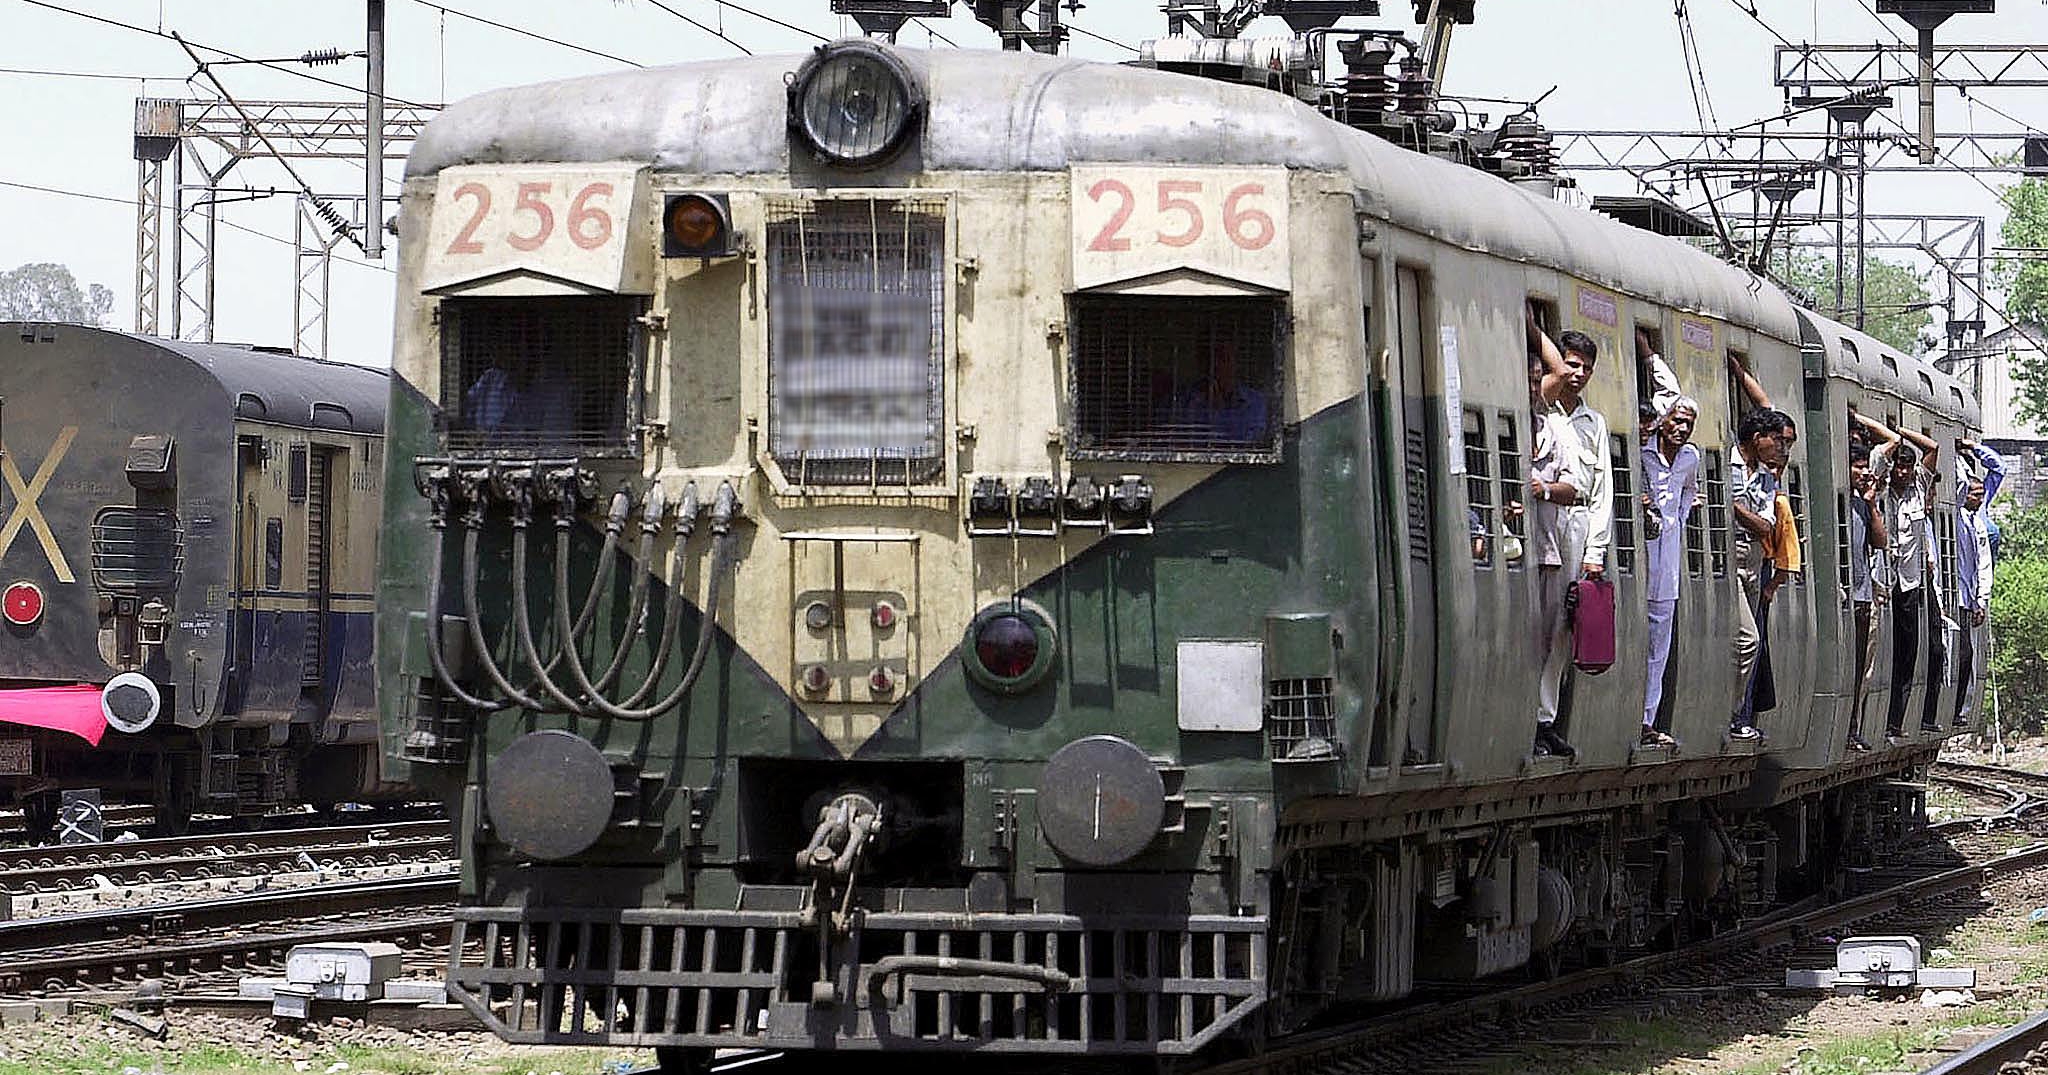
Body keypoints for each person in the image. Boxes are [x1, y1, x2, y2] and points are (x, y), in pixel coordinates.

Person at [1526, 304, 1613, 759]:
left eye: (1586, 369)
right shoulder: (1542, 410)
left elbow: (1602, 492)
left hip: (1576, 525)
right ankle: (1533, 718)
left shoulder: (1593, 423)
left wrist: (1596, 549)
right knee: (1538, 624)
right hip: (1543, 521)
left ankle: (1546, 719)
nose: (1577, 374)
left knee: (1563, 625)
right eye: (1572, 365)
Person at [1860, 413, 1945, 741]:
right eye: (1900, 467)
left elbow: (1933, 447)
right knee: (1878, 651)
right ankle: (1870, 720)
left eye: (1909, 468)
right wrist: (1892, 434)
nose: (1904, 473)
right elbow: (1886, 450)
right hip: (1882, 579)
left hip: (1909, 582)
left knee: (1907, 652)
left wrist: (1903, 431)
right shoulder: (1880, 485)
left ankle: (1895, 720)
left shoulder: (1919, 486)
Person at [1639, 396, 1700, 749]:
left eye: (1688, 424)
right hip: (1640, 561)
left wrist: (1679, 517)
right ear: (1664, 420)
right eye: (1676, 421)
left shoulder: (1690, 458)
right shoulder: (1642, 451)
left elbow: (1690, 490)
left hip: (1668, 568)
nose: (1681, 429)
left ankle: (1647, 720)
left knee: (1658, 649)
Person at [1728, 406, 1789, 742]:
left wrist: (1734, 507)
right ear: (1757, 438)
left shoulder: (1766, 477)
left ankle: (1735, 714)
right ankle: (1734, 714)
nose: (1779, 448)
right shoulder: (1727, 463)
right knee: (1748, 640)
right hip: (1730, 560)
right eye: (1775, 441)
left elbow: (1765, 526)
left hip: (1753, 561)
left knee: (1746, 642)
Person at [1843, 413, 1891, 752]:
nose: (1863, 473)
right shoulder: (1839, 503)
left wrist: (1872, 503)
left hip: (1863, 597)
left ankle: (1853, 725)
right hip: (1845, 597)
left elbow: (1880, 541)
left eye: (1865, 467)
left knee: (1862, 670)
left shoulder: (1863, 503)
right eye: (1857, 467)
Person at [1953, 437, 2005, 728]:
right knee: (1963, 652)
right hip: (1963, 587)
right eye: (1974, 492)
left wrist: (1973, 447)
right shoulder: (1961, 511)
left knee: (1969, 653)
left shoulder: (1979, 512)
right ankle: (1958, 708)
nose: (1979, 495)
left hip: (1977, 585)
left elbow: (1999, 467)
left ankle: (1963, 708)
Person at [1174, 338, 1269, 444]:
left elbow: (1250, 444)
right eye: (1211, 359)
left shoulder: (1254, 402)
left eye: (1223, 358)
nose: (1216, 365)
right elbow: (1183, 442)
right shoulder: (1185, 401)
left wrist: (1219, 411)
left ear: (1235, 363)